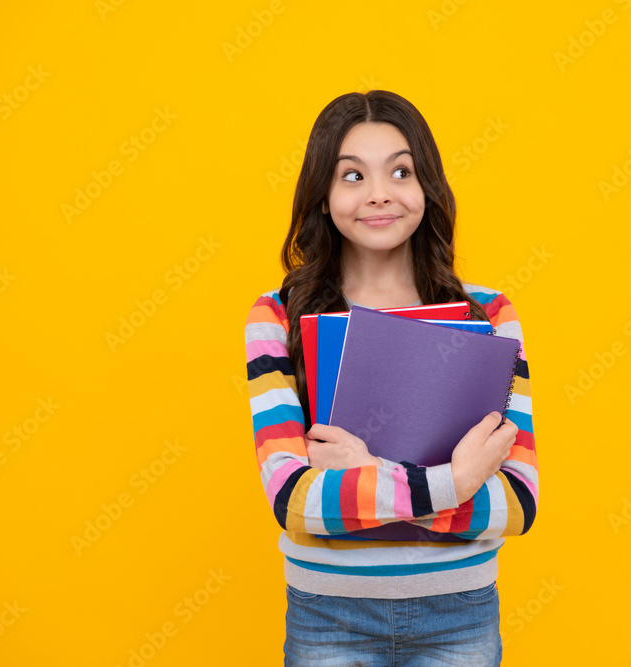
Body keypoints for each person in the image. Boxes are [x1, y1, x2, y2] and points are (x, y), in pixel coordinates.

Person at [244, 89, 538, 666]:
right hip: (327, 618)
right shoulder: (277, 315)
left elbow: (518, 504)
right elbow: (297, 502)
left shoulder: (490, 314)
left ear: (425, 188)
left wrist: (364, 474)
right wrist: (455, 481)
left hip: (461, 615)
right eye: (351, 176)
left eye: (400, 171)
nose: (379, 192)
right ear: (322, 199)